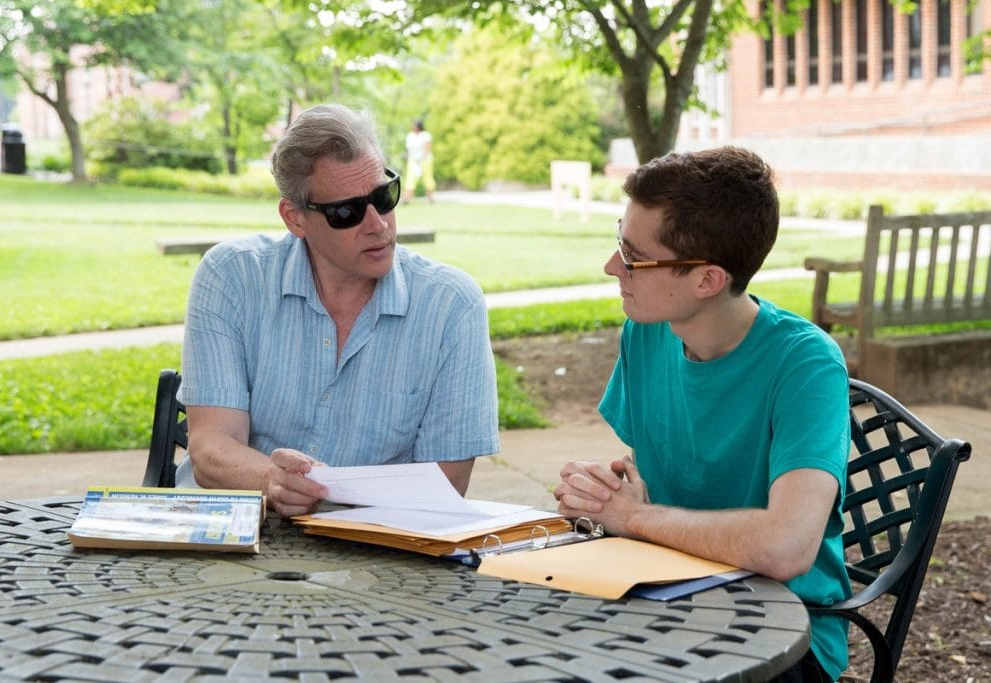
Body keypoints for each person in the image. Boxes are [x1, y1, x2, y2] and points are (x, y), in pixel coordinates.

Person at [553, 146, 852, 683]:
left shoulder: (806, 363)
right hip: (668, 595)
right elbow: (661, 464)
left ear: (707, 280)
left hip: (785, 635)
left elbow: (787, 547)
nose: (611, 267)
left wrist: (635, 518)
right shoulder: (646, 330)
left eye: (633, 256)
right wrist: (609, 490)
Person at [174, 103, 499, 518]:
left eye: (384, 197)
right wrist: (271, 482)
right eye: (346, 212)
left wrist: (323, 499)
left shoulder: (452, 306)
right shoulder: (232, 276)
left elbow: (446, 484)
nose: (378, 224)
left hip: (376, 546)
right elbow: (211, 450)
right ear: (295, 218)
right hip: (232, 530)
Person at [404, 119, 435, 202]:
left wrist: (422, 159)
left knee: (428, 178)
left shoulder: (425, 135)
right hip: (413, 160)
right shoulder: (410, 135)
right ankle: (406, 199)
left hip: (425, 160)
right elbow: (409, 150)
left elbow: (427, 148)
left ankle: (431, 198)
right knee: (410, 178)